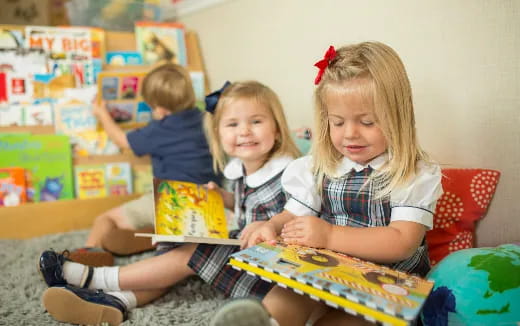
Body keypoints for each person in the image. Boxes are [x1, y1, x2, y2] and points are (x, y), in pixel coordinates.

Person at [210, 42, 444, 326]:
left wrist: (330, 235)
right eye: (337, 122)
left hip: (387, 286)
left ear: (398, 116)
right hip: (324, 273)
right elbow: (294, 213)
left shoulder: (412, 173)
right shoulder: (319, 166)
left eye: (368, 122)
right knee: (286, 294)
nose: (350, 134)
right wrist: (273, 225)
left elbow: (402, 242)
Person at [38, 80, 301, 325]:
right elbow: (248, 205)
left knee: (189, 253)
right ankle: (118, 301)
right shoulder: (240, 170)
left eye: (256, 121)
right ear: (218, 135)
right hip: (244, 250)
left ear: (277, 130)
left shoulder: (289, 172)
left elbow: (296, 216)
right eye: (232, 125)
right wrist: (225, 198)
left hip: (267, 268)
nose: (244, 131)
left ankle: (93, 279)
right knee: (177, 252)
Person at [66, 63, 222, 267]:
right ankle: (156, 235)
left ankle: (88, 255)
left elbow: (123, 141)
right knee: (154, 220)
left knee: (106, 220)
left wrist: (102, 114)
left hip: (173, 200)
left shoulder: (159, 130)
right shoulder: (206, 119)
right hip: (210, 202)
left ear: (159, 108)